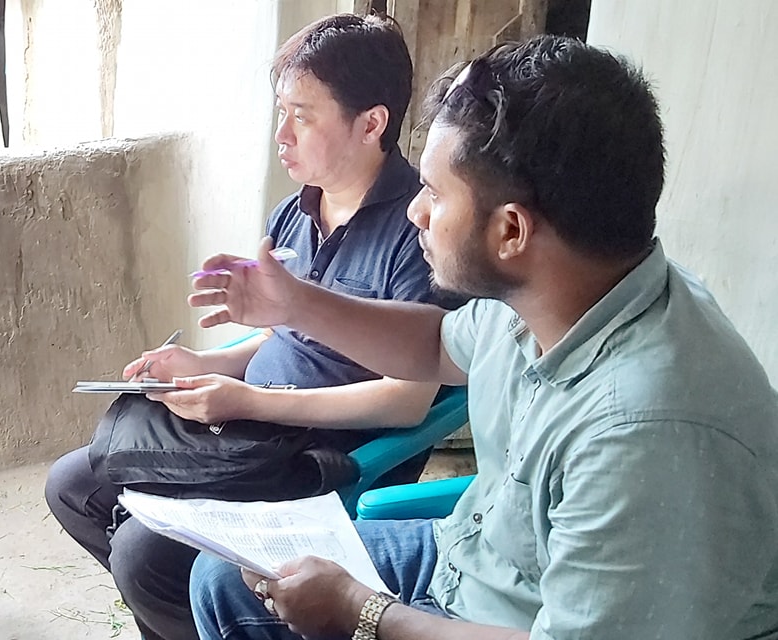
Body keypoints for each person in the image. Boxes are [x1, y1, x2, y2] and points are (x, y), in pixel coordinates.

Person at [188, 35, 778, 640]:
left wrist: (359, 610)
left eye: (436, 194)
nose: (416, 212)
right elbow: (437, 346)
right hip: (476, 558)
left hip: (521, 618)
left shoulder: (644, 432)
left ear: (511, 231)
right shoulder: (551, 291)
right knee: (223, 579)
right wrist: (298, 304)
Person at [45, 14, 459, 640]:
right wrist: (203, 366)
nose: (281, 136)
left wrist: (248, 400)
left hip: (323, 454)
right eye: (280, 113)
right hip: (248, 430)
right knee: (74, 485)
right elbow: (278, 337)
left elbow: (409, 398)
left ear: (372, 123)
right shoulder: (294, 213)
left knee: (141, 553)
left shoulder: (414, 234)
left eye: (302, 116)